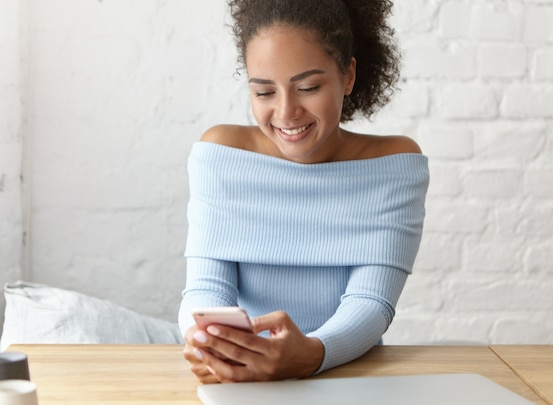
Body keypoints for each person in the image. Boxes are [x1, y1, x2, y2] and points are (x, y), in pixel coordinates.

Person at [178, 0, 429, 383]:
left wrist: (312, 355)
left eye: (308, 87)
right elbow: (205, 287)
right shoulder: (221, 155)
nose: (286, 113)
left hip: (346, 378)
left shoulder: (395, 166)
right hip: (242, 381)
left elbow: (371, 303)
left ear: (347, 76)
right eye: (264, 92)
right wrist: (208, 341)